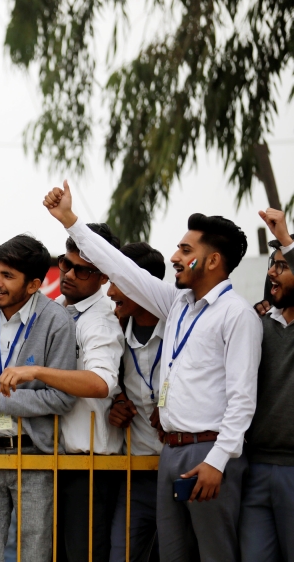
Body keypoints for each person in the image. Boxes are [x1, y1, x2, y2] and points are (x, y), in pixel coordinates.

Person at [44, 180, 261, 562]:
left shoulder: (237, 315)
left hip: (210, 452)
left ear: (213, 261)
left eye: (186, 250)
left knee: (215, 555)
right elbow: (121, 268)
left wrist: (217, 461)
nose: (175, 257)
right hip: (170, 453)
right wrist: (70, 222)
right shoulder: (176, 304)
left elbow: (243, 399)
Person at [0, 224, 125, 562]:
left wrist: (37, 372)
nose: (69, 274)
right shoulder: (54, 310)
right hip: (50, 459)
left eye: (82, 270)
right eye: (65, 263)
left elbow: (100, 384)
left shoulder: (100, 321)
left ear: (104, 276)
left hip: (89, 466)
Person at [0, 234, 78, 562]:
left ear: (33, 285)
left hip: (34, 456)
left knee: (33, 554)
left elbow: (62, 398)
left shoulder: (56, 320)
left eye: (7, 276)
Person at [239, 208, 294, 561]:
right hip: (255, 467)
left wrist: (285, 239)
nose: (272, 272)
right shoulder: (255, 322)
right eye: (272, 265)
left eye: (283, 265)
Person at [106, 242, 166, 562]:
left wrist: (175, 408)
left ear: (143, 284)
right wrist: (116, 402)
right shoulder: (111, 329)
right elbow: (106, 383)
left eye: (118, 282)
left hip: (182, 469)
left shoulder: (184, 329)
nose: (110, 292)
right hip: (135, 476)